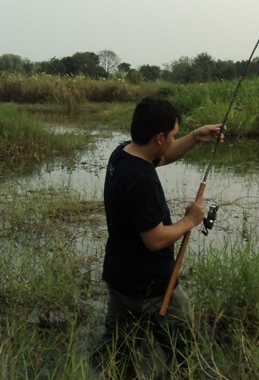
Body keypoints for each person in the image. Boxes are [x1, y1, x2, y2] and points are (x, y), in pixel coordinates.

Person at [92, 96, 222, 377]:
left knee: (116, 354)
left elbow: (162, 156)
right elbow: (156, 240)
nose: (175, 140)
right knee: (184, 351)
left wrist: (195, 137)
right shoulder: (142, 181)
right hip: (150, 286)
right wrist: (189, 221)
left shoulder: (122, 154)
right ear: (160, 137)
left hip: (119, 278)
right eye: (174, 135)